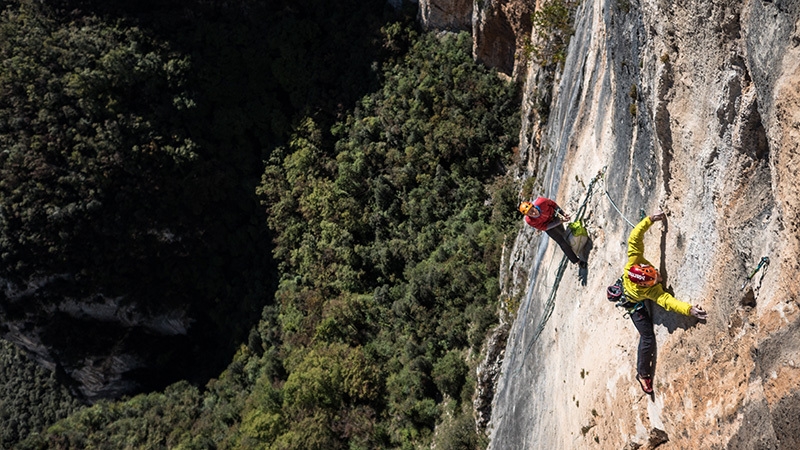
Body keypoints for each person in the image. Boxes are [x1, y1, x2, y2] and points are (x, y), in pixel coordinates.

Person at [621, 210, 707, 394]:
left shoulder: (634, 261)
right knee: (647, 338)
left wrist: (650, 219)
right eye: (655, 279)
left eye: (655, 275)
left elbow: (635, 237)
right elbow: (666, 301)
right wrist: (689, 310)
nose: (660, 278)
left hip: (628, 287)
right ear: (647, 285)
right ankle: (642, 374)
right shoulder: (649, 290)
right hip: (633, 304)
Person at [519, 197, 586, 267]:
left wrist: (563, 213)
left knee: (563, 232)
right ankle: (577, 261)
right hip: (548, 226)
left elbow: (553, 204)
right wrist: (559, 221)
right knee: (562, 242)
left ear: (533, 206)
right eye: (530, 213)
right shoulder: (530, 221)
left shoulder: (541, 201)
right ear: (528, 215)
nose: (533, 213)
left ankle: (572, 245)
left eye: (532, 210)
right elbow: (544, 227)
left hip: (553, 215)